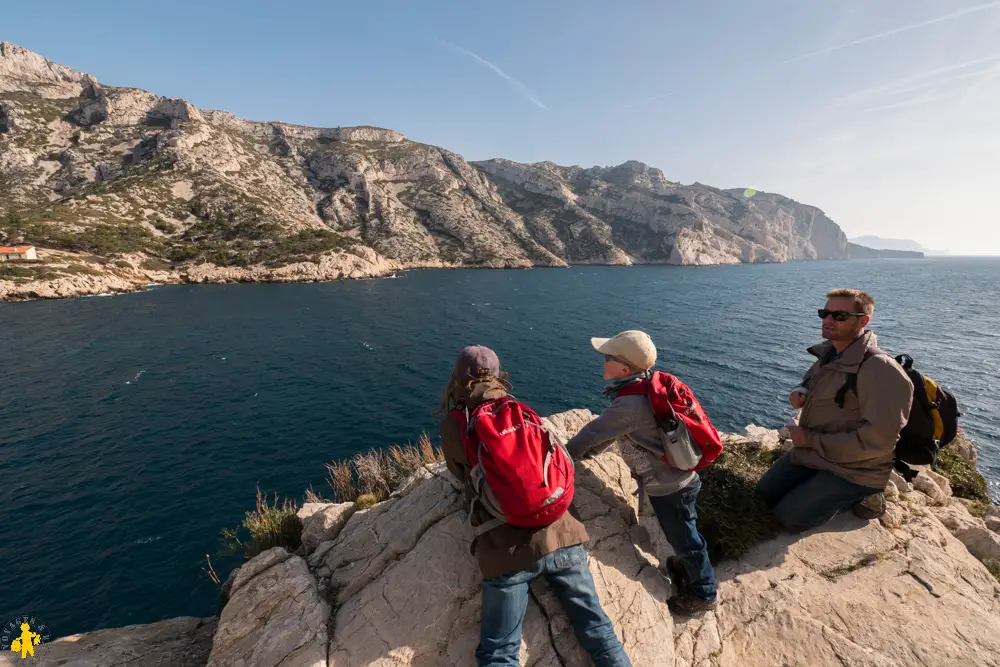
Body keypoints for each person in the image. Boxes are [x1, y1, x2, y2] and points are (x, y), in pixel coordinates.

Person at [438, 345, 633, 667]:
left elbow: (460, 474)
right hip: (563, 534)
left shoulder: (458, 421)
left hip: (507, 550)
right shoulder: (518, 409)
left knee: (499, 652)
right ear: (499, 376)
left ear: (458, 378)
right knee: (598, 630)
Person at [563, 330, 718, 616]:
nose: (602, 361)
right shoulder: (645, 387)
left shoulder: (630, 403)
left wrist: (564, 456)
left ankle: (703, 593)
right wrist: (590, 453)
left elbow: (595, 432)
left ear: (624, 369)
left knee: (687, 539)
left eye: (607, 357)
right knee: (680, 535)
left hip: (670, 488)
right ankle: (685, 571)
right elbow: (613, 433)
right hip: (675, 483)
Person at [756, 288, 914, 532]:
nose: (829, 320)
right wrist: (801, 391)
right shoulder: (831, 352)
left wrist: (809, 439)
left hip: (855, 469)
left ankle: (865, 498)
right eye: (825, 313)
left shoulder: (880, 369)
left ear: (864, 321)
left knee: (788, 518)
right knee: (763, 495)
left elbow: (879, 441)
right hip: (814, 453)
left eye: (839, 316)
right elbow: (812, 382)